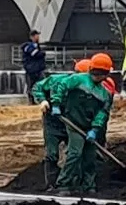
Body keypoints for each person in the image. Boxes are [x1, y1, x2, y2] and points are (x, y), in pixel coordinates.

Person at [32, 57, 113, 192]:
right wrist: (44, 101)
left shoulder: (101, 92)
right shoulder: (63, 81)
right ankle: (52, 185)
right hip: (54, 120)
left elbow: (101, 112)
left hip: (73, 120)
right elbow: (38, 87)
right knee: (53, 153)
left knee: (79, 153)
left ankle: (80, 184)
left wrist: (95, 129)